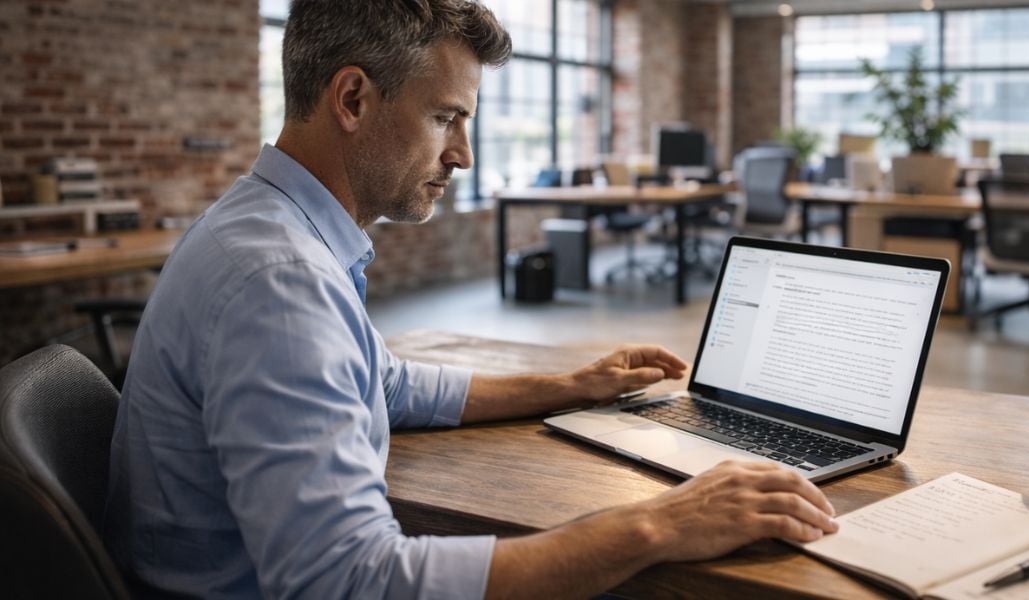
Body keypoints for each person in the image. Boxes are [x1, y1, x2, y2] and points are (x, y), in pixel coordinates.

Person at [102, 0, 839, 597]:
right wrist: (658, 525)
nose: (462, 154)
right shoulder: (281, 283)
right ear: (352, 98)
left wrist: (572, 385)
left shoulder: (264, 225)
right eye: (444, 118)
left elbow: (386, 385)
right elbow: (351, 582)